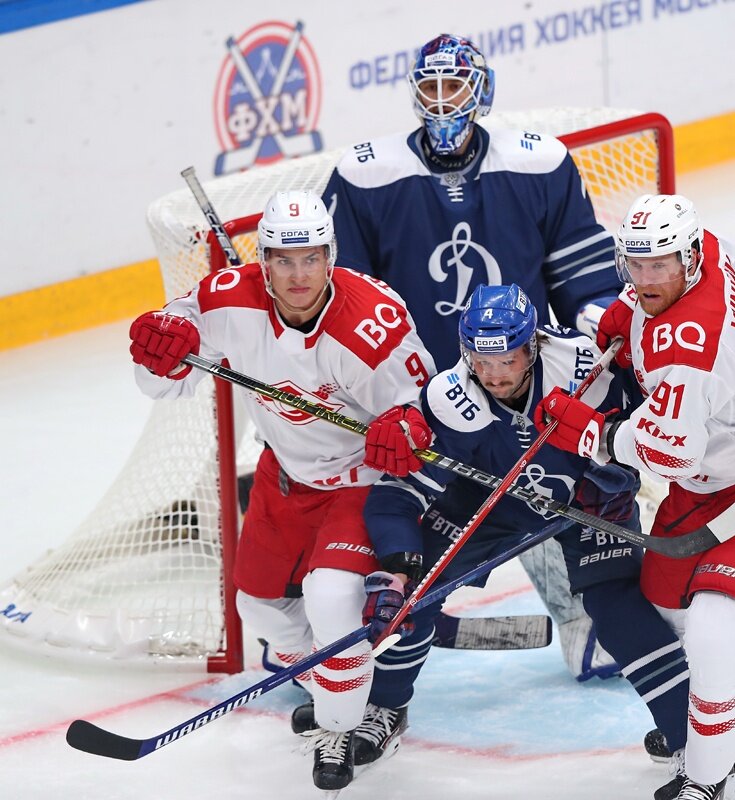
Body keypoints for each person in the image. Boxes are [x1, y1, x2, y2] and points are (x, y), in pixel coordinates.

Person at [321, 32, 628, 681]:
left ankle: (584, 614)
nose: (441, 101)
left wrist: (603, 330)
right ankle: (325, 617)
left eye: (453, 86)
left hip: (517, 384)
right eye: (429, 87)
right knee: (393, 504)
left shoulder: (538, 165)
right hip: (414, 396)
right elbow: (339, 295)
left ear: (481, 91)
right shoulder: (367, 175)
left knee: (550, 485)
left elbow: (582, 273)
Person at [128, 190, 435, 792]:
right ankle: (333, 680)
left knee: (329, 599)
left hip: (360, 482)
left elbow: (422, 416)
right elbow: (162, 381)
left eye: (312, 258)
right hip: (284, 476)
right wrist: (157, 356)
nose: (299, 275)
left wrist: (408, 427)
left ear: (331, 257)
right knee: (257, 607)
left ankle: (339, 728)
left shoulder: (372, 325)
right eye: (284, 260)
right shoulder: (225, 301)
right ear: (263, 261)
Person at [535, 194, 735, 800]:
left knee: (717, 622)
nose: (646, 280)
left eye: (659, 266)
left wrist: (592, 433)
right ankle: (710, 731)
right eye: (635, 266)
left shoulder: (689, 352)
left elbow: (671, 455)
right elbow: (722, 268)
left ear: (687, 259)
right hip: (706, 484)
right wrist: (625, 316)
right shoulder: (711, 250)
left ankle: (711, 777)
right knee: (662, 601)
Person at [358, 283, 691, 780]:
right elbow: (395, 496)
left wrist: (614, 474)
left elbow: (643, 438)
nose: (492, 375)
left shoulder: (585, 368)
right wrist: (397, 568)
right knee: (415, 596)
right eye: (481, 361)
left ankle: (690, 734)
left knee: (616, 606)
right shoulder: (448, 398)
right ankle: (383, 709)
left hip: (586, 503)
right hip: (490, 507)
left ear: (531, 345)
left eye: (506, 360)